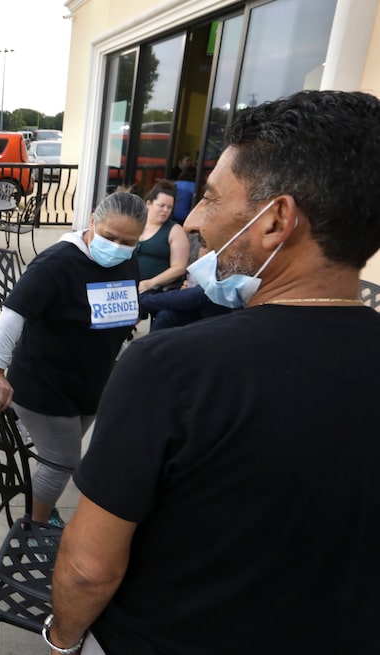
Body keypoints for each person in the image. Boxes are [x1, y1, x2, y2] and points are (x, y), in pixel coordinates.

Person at [45, 90, 380, 655]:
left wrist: (63, 640)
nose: (194, 219)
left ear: (277, 220)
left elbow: (87, 567)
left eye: (210, 198)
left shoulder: (169, 369)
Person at [0, 191, 145, 526]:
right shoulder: (55, 264)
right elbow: (12, 317)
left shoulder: (127, 260)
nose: (116, 246)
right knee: (63, 460)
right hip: (44, 384)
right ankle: (35, 525)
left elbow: (123, 307)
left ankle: (44, 505)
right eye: (109, 236)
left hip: (91, 382)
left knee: (57, 456)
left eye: (127, 241)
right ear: (91, 222)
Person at [135, 179, 190, 295]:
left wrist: (151, 282)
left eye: (169, 207)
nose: (165, 210)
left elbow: (179, 267)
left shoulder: (175, 230)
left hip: (155, 290)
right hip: (127, 285)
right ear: (148, 204)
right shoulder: (136, 224)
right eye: (161, 206)